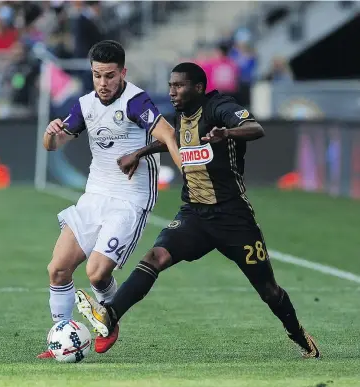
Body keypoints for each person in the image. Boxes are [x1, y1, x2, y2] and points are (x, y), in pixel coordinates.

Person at [75, 62, 320, 359]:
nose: (172, 91)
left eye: (179, 86)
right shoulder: (182, 115)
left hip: (233, 218)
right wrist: (138, 153)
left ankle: (299, 336)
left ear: (199, 88)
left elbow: (255, 128)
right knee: (156, 257)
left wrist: (227, 133)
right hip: (194, 215)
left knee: (268, 290)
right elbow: (175, 141)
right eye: (170, 85)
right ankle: (110, 314)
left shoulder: (220, 107)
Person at [37, 40, 181, 358]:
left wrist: (186, 170)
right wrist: (50, 133)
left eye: (110, 76)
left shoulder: (135, 101)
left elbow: (168, 134)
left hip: (131, 198)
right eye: (97, 75)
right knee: (57, 269)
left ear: (123, 73)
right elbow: (54, 144)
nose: (103, 83)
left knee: (96, 273)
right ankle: (61, 336)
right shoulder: (85, 104)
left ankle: (110, 318)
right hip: (95, 195)